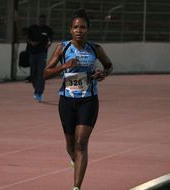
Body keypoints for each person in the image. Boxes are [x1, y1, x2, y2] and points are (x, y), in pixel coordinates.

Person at [43, 9, 113, 190]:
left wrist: (102, 74)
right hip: (67, 101)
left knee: (81, 143)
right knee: (71, 145)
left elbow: (109, 66)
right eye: (75, 27)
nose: (79, 30)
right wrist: (64, 66)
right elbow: (45, 74)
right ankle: (75, 159)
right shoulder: (63, 48)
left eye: (82, 27)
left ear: (88, 30)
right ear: (70, 30)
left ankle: (76, 187)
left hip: (88, 100)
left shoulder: (95, 49)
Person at [26, 14, 53, 102]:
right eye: (40, 20)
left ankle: (39, 93)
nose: (41, 22)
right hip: (32, 53)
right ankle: (36, 88)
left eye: (43, 21)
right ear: (37, 20)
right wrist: (31, 42)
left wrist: (48, 45)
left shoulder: (47, 29)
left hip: (42, 53)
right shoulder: (32, 28)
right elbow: (26, 37)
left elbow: (50, 40)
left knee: (41, 73)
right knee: (33, 72)